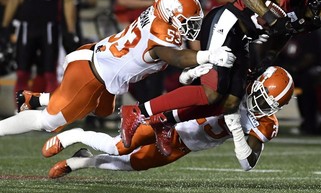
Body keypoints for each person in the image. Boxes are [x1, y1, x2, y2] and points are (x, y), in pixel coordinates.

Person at [120, 0, 321, 156]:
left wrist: (268, 59)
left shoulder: (312, 21)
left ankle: (163, 120)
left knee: (230, 102)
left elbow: (283, 32)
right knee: (211, 93)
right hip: (227, 22)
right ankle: (138, 111)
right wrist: (269, 18)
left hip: (243, 39)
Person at [0, 0, 235, 137]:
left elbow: (173, 55)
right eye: (187, 21)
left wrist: (192, 68)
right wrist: (207, 56)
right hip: (90, 75)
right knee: (49, 123)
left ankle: (35, 98)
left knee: (104, 110)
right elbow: (173, 56)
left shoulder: (156, 15)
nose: (192, 26)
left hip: (97, 60)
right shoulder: (161, 35)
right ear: (170, 16)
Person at [43, 66, 294, 179]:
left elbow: (247, 163)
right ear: (256, 83)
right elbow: (207, 81)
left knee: (129, 165)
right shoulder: (239, 82)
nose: (260, 105)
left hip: (186, 145)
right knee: (117, 147)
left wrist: (238, 131)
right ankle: (73, 135)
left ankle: (81, 161)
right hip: (172, 119)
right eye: (260, 97)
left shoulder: (265, 123)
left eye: (268, 104)